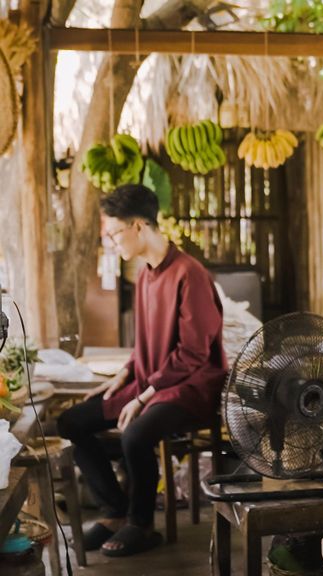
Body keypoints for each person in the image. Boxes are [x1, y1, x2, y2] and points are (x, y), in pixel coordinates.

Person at [57, 184, 228, 557]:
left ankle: (141, 524)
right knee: (70, 422)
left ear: (139, 226)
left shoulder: (190, 273)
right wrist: (124, 376)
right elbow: (144, 343)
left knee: (135, 435)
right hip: (151, 380)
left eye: (116, 233)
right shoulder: (145, 274)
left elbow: (193, 355)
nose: (113, 243)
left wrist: (142, 395)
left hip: (192, 388)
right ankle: (115, 512)